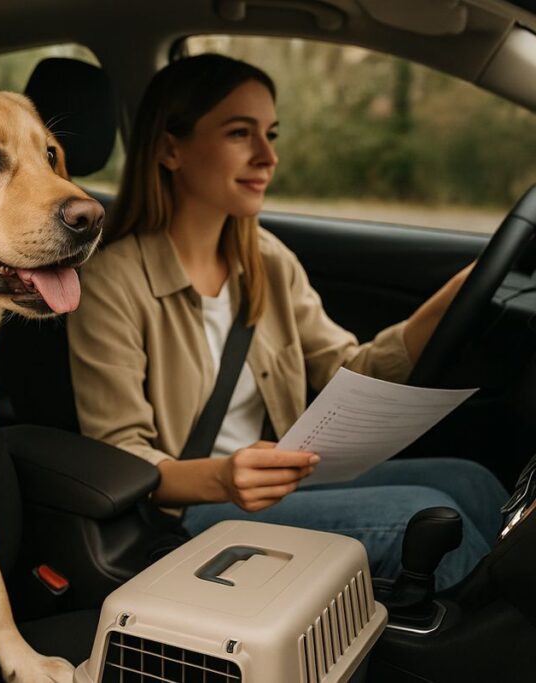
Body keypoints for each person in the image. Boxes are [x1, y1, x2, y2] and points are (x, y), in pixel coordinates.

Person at [67, 54, 507, 589]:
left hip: (273, 482)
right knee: (426, 515)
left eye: (270, 134)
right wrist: (223, 477)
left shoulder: (268, 261)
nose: (267, 156)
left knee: (474, 481)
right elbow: (122, 456)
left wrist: (462, 292)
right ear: (169, 149)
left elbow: (350, 369)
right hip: (190, 508)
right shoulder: (114, 280)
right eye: (239, 133)